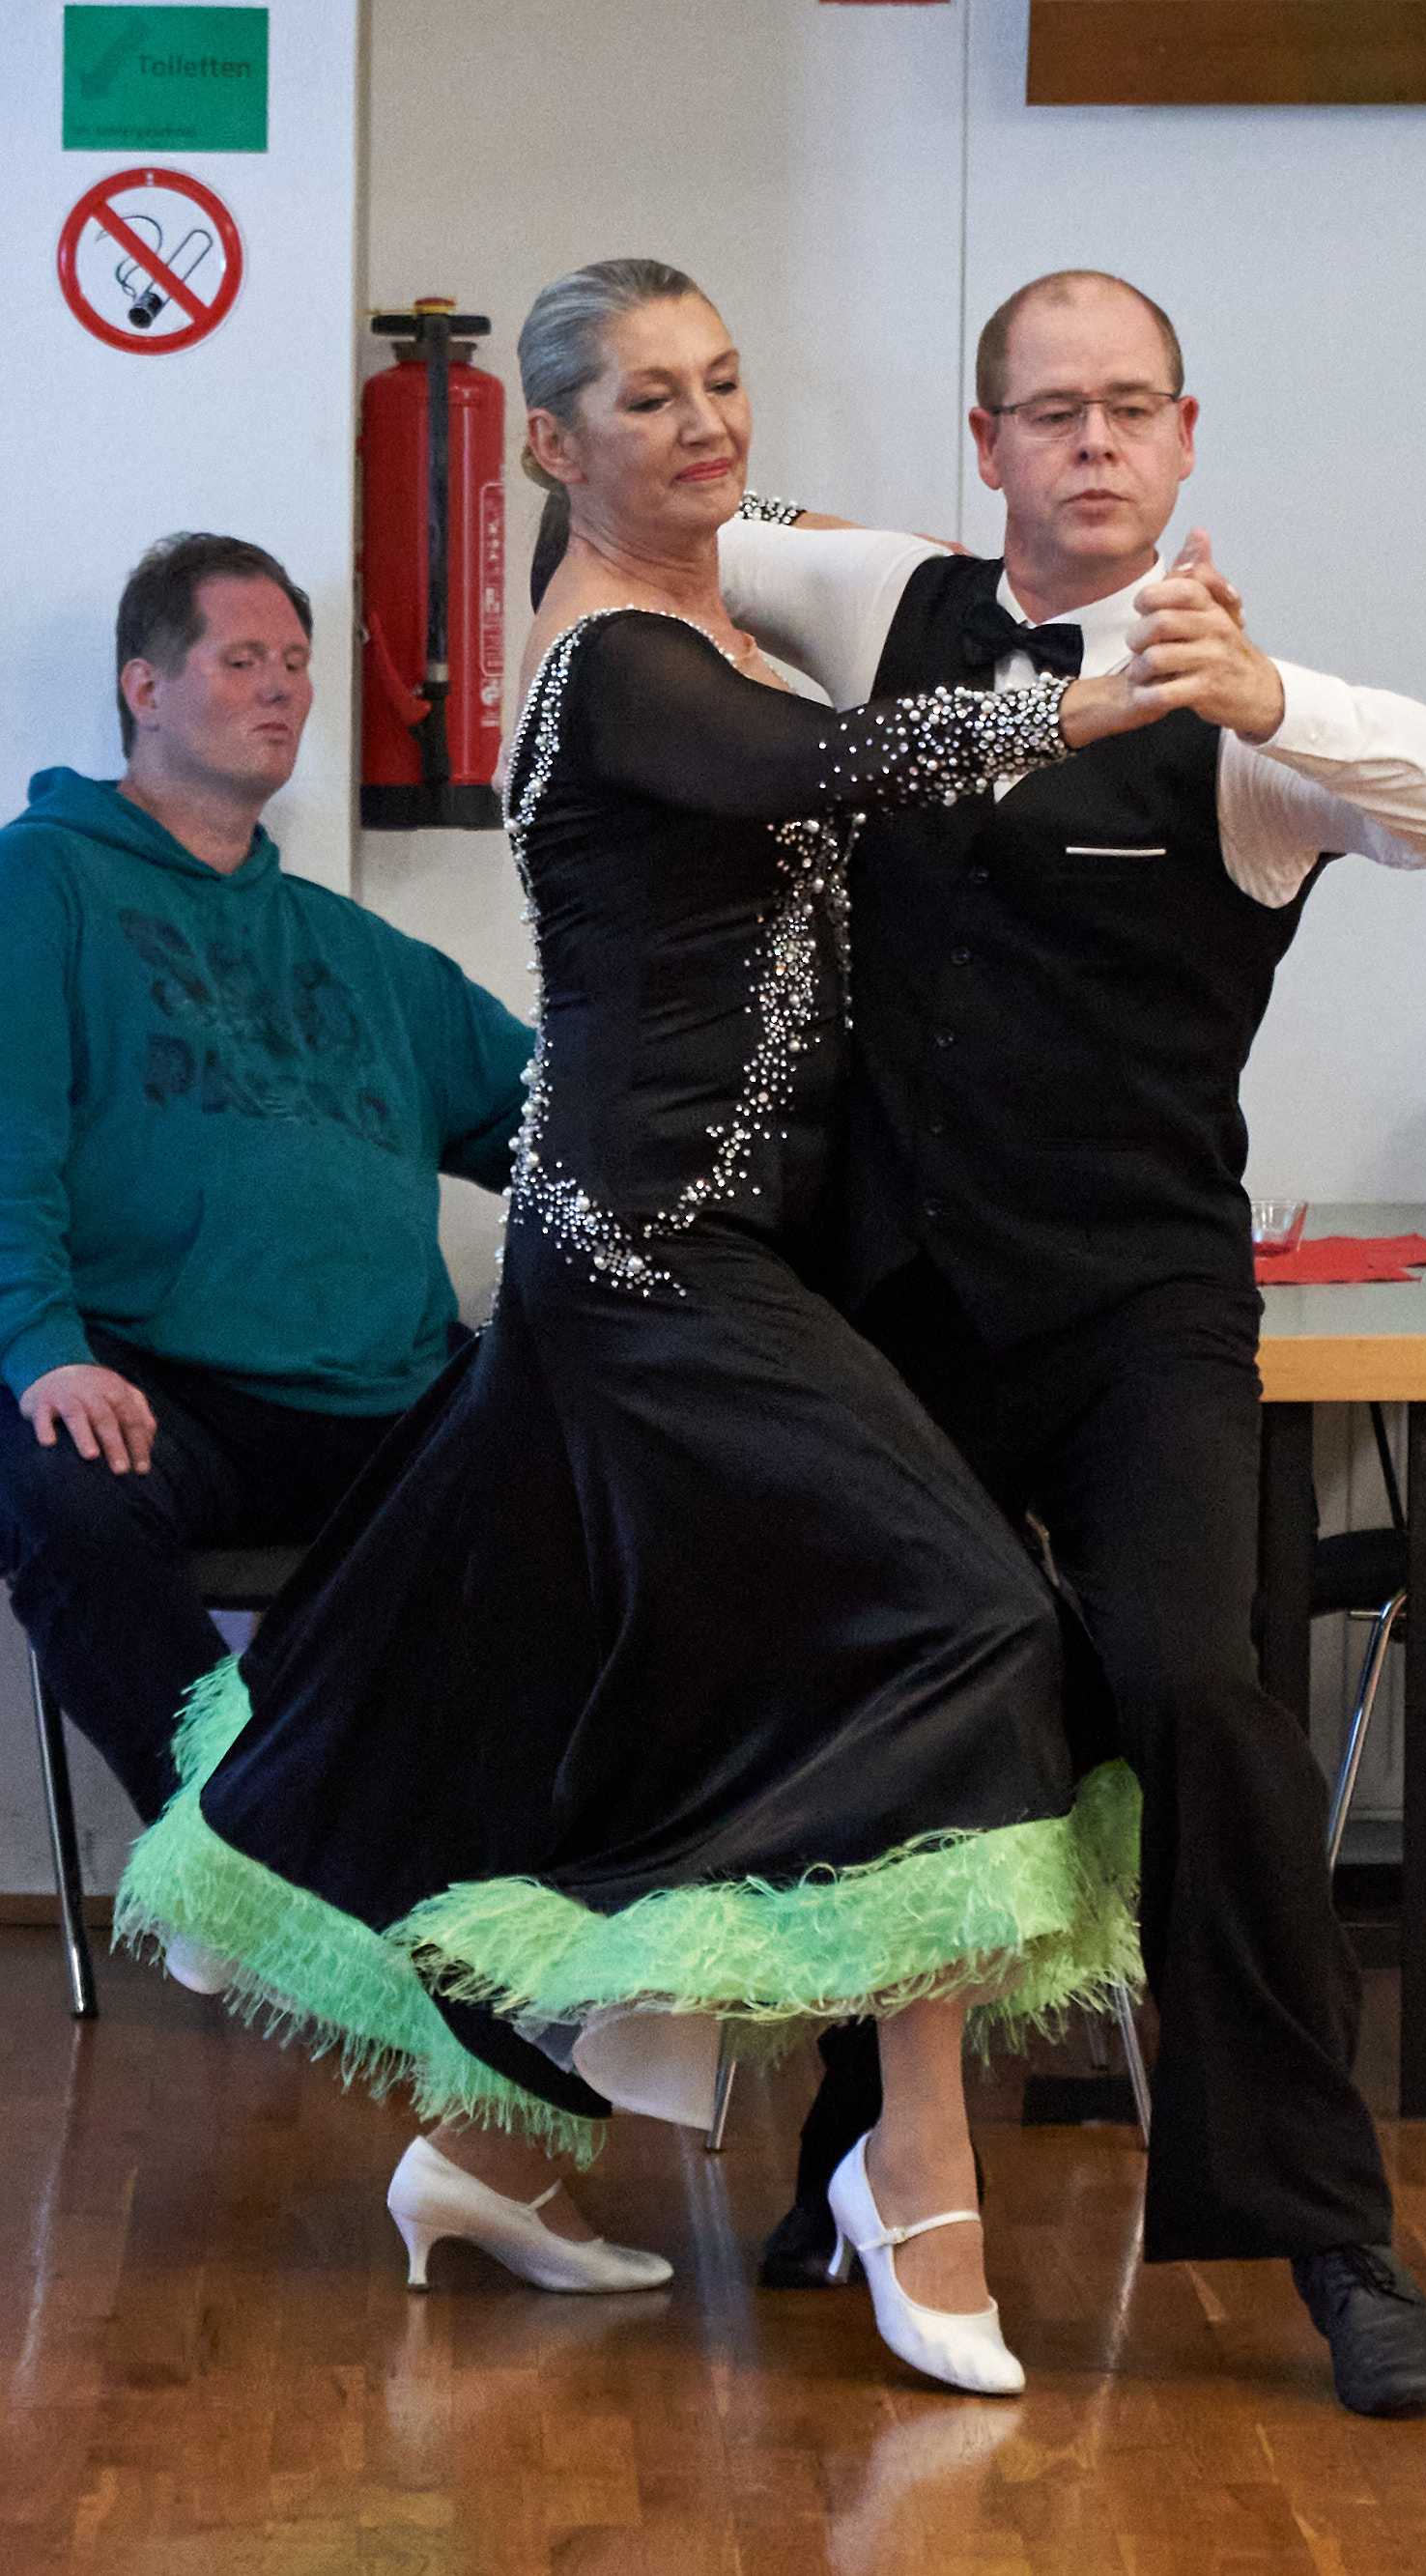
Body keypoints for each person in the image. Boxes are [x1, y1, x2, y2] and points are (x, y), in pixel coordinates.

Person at [117, 259, 1169, 2396]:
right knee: (966, 1614)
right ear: (550, 442)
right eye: (650, 399)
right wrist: (1105, 682)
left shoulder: (706, 598)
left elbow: (822, 565)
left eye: (723, 383)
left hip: (712, 1256)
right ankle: (913, 2170)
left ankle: (489, 2149)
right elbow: (846, 755)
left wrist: (1000, 553)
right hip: (646, 1261)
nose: (703, 426)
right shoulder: (610, 661)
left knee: (653, 1706)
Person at [711, 269, 1426, 2417]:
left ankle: (1326, 2226)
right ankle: (861, 2139)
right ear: (984, 441)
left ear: (1181, 438)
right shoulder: (884, 600)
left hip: (1137, 1308)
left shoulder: (1241, 716)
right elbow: (685, 521)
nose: (1089, 439)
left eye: (1127, 407)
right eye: (1048, 408)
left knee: (1192, 1686)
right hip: (899, 1297)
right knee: (891, 1684)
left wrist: (1267, 690)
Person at [0, 535, 535, 1828]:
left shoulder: (359, 952)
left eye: (294, 661)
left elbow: (558, 1120)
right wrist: (41, 1347)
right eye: (242, 660)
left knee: (613, 1469)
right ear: (144, 687)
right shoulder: (41, 879)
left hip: (389, 1396)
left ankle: (502, 1877)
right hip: (163, 1391)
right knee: (56, 1479)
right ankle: (237, 1852)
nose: (283, 687)